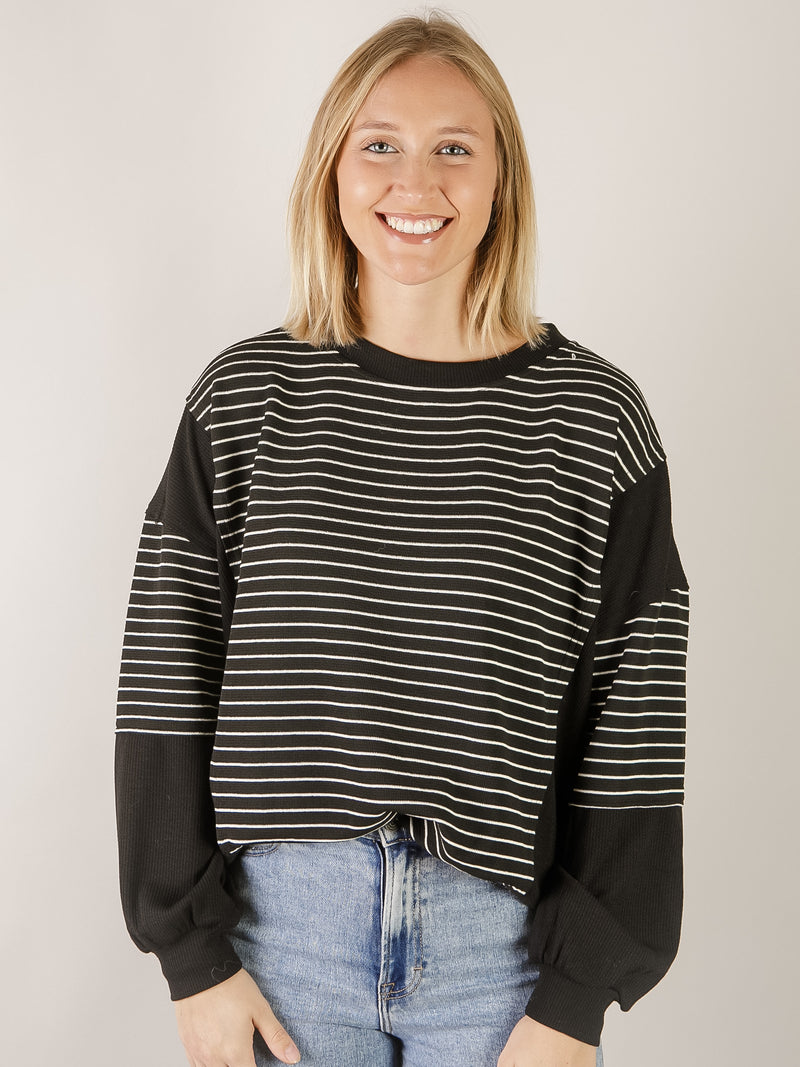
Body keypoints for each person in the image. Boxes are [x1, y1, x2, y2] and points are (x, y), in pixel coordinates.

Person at [115, 13, 688, 1067]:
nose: (412, 182)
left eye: (453, 147)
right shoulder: (246, 400)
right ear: (331, 170)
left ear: (501, 178)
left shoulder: (594, 420)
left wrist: (575, 998)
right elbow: (165, 675)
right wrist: (192, 957)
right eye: (377, 142)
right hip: (277, 941)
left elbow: (632, 717)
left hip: (500, 955)